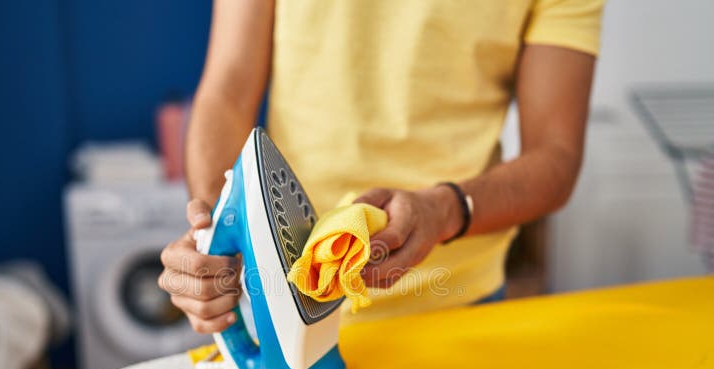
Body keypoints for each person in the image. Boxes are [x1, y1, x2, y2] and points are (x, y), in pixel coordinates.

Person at [159, 0, 604, 333]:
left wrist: (444, 209)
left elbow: (555, 156)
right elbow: (228, 89)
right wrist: (217, 227)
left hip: (461, 304)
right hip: (281, 288)